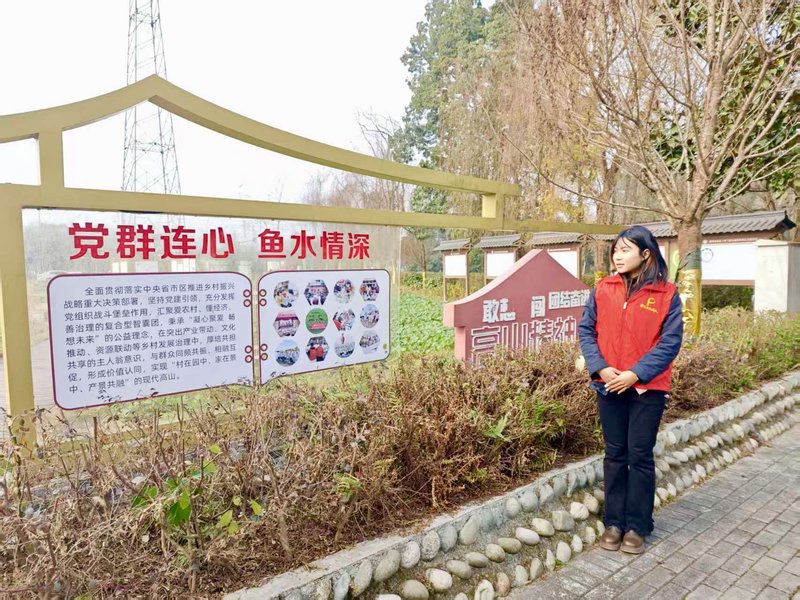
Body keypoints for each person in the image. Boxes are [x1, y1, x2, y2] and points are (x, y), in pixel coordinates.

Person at [578, 225, 683, 555]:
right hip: (608, 384)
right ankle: (614, 522)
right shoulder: (603, 288)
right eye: (615, 250)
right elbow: (586, 331)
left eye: (625, 250)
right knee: (615, 454)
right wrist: (601, 367)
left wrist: (635, 374)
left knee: (639, 456)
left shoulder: (666, 294)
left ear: (646, 253)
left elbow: (669, 343)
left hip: (646, 390)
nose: (617, 256)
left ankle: (637, 525)